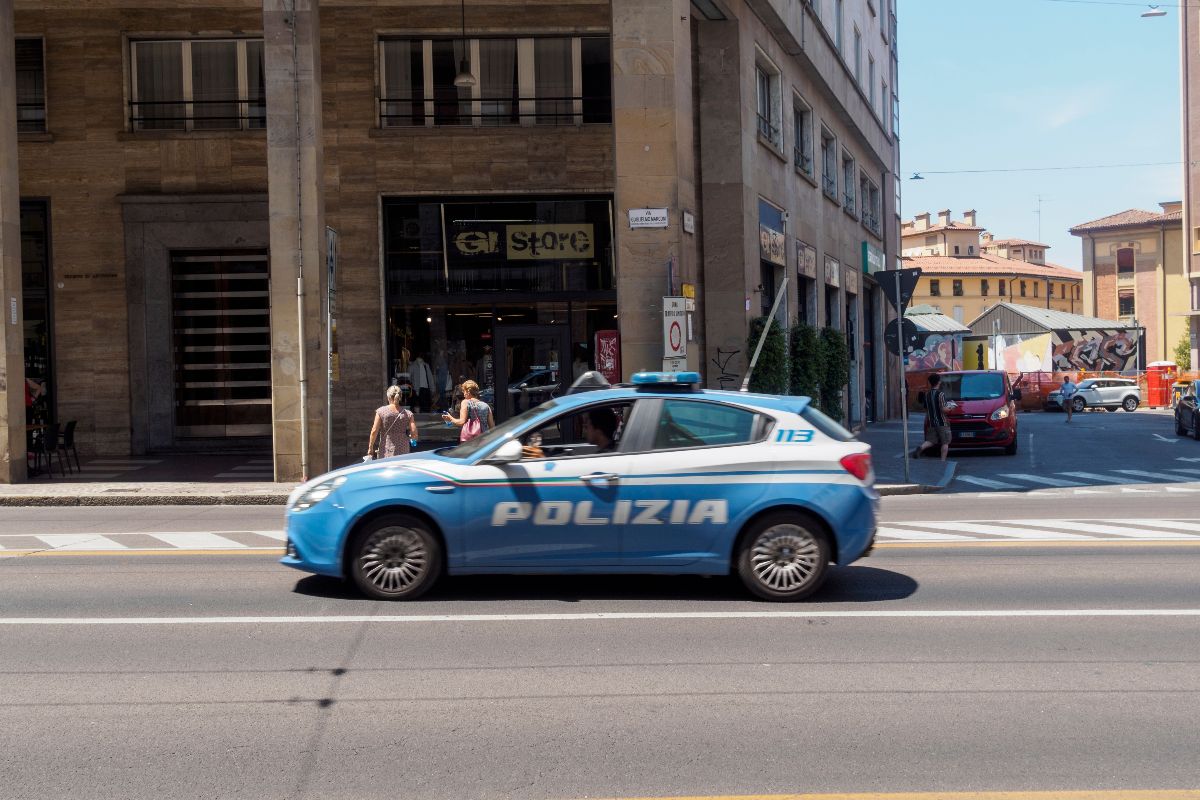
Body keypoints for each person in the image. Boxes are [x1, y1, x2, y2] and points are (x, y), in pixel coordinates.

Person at [367, 385, 418, 460]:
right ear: (400, 397)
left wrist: (370, 447)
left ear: (388, 397)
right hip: (403, 448)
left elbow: (374, 431)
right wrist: (411, 438)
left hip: (386, 448)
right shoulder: (408, 413)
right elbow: (414, 432)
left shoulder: (381, 411)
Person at [914, 373, 955, 462]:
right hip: (942, 422)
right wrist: (952, 407)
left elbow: (926, 408)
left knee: (931, 441)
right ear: (938, 382)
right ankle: (942, 461)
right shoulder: (941, 395)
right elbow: (944, 410)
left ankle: (920, 448)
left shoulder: (927, 395)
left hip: (932, 422)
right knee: (945, 442)